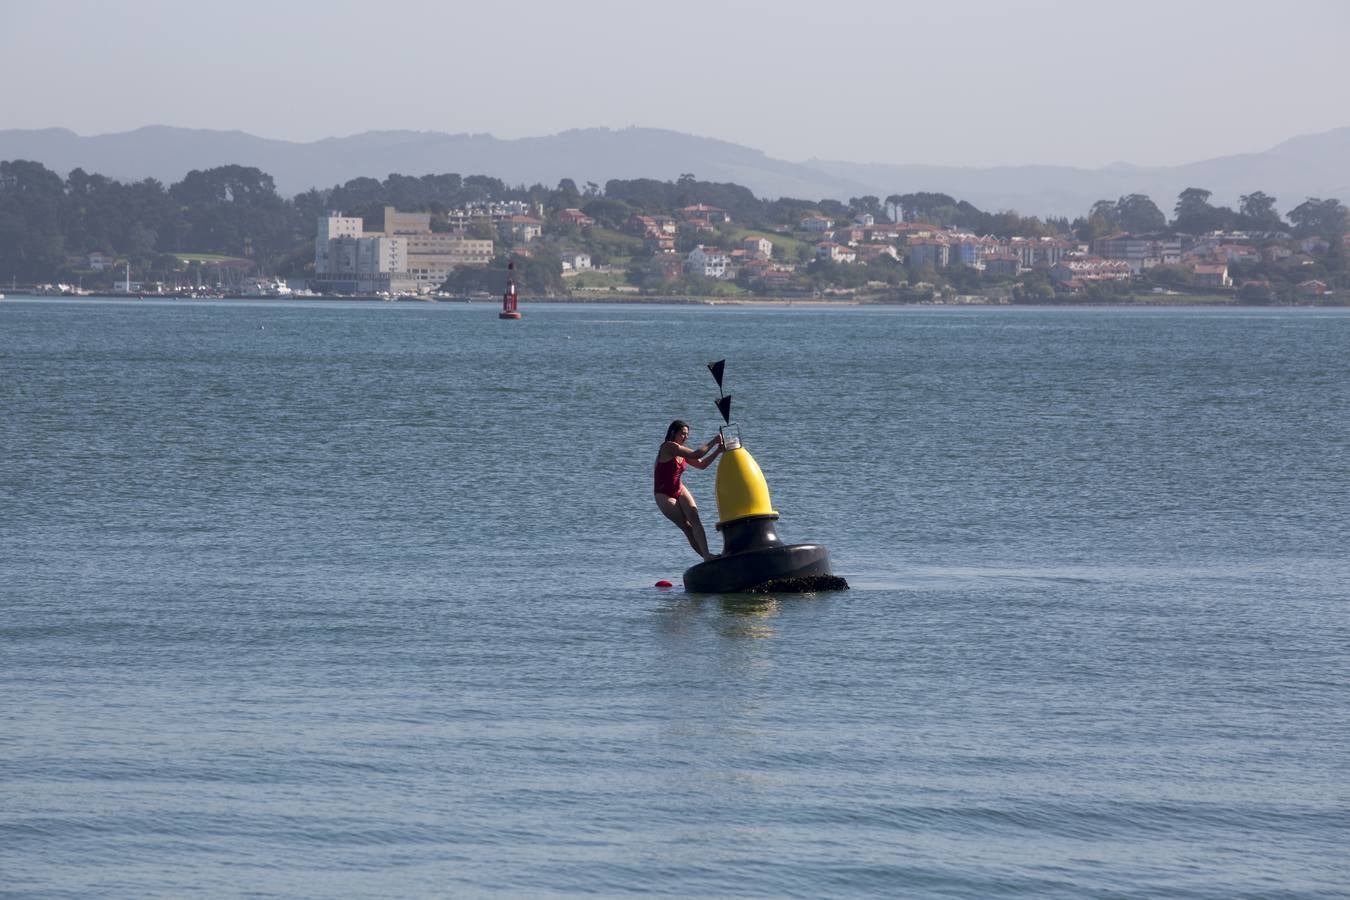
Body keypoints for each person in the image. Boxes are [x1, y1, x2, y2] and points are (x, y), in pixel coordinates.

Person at [654, 419, 724, 561]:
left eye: (687, 434)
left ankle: (707, 554)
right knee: (687, 527)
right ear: (673, 433)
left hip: (678, 488)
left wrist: (718, 451)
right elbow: (697, 454)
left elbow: (702, 464)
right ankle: (706, 557)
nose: (685, 437)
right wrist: (714, 441)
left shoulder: (682, 451)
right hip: (663, 494)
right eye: (682, 434)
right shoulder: (669, 447)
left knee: (694, 517)